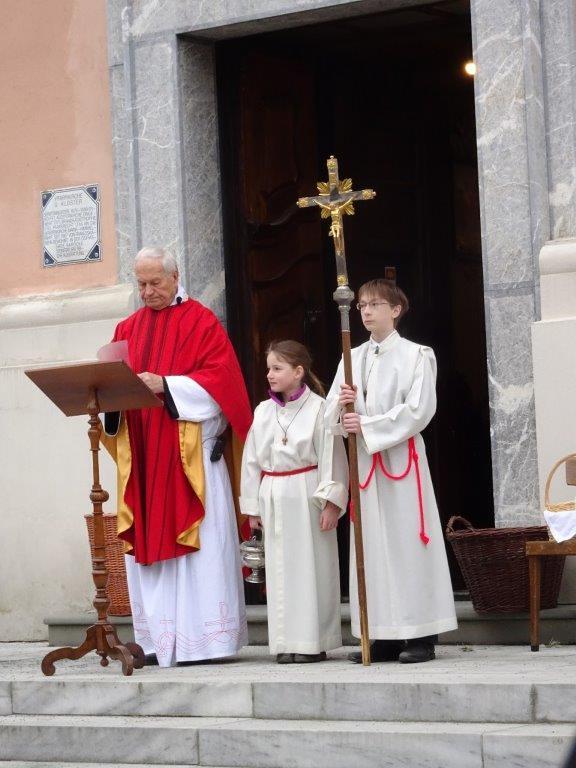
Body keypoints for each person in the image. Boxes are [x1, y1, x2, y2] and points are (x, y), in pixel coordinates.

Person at [101, 246, 252, 667]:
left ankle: (206, 643)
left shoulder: (201, 322)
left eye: (155, 283)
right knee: (149, 554)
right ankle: (155, 642)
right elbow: (112, 387)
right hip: (144, 458)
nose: (148, 291)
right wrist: (106, 396)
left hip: (191, 456)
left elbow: (222, 385)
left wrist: (167, 385)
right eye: (141, 284)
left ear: (175, 276)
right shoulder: (127, 328)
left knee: (201, 551)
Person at [325, 279, 457, 663]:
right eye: (362, 305)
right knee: (373, 547)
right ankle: (380, 633)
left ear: (396, 310)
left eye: (375, 304)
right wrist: (343, 407)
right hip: (367, 465)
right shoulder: (351, 357)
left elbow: (419, 410)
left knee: (407, 545)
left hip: (401, 461)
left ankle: (420, 634)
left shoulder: (417, 355)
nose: (366, 311)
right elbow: (330, 415)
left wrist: (366, 425)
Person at [240, 340, 348, 663]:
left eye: (277, 368)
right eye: (269, 368)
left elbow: (332, 456)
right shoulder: (263, 411)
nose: (269, 374)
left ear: (298, 372)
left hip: (307, 493)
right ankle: (285, 642)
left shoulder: (320, 408)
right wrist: (252, 508)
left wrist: (332, 501)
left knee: (311, 568)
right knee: (280, 571)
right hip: (273, 493)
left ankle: (313, 642)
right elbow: (250, 461)